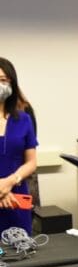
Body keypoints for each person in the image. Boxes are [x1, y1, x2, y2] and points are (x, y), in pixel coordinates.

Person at [0, 57, 38, 234]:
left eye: (3, 80)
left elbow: (31, 162)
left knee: (21, 252)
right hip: (4, 195)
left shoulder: (23, 119)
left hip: (16, 199)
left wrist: (9, 182)